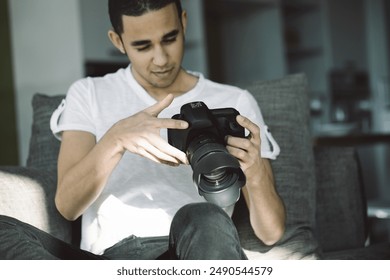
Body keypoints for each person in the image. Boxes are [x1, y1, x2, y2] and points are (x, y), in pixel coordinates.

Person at [0, 0, 285, 260]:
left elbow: (271, 233)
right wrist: (116, 139)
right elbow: (67, 206)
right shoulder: (89, 93)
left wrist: (256, 171)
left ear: (184, 22)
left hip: (197, 247)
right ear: (118, 41)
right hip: (109, 261)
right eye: (142, 46)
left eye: (170, 38)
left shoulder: (235, 101)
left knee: (204, 216)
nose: (161, 59)